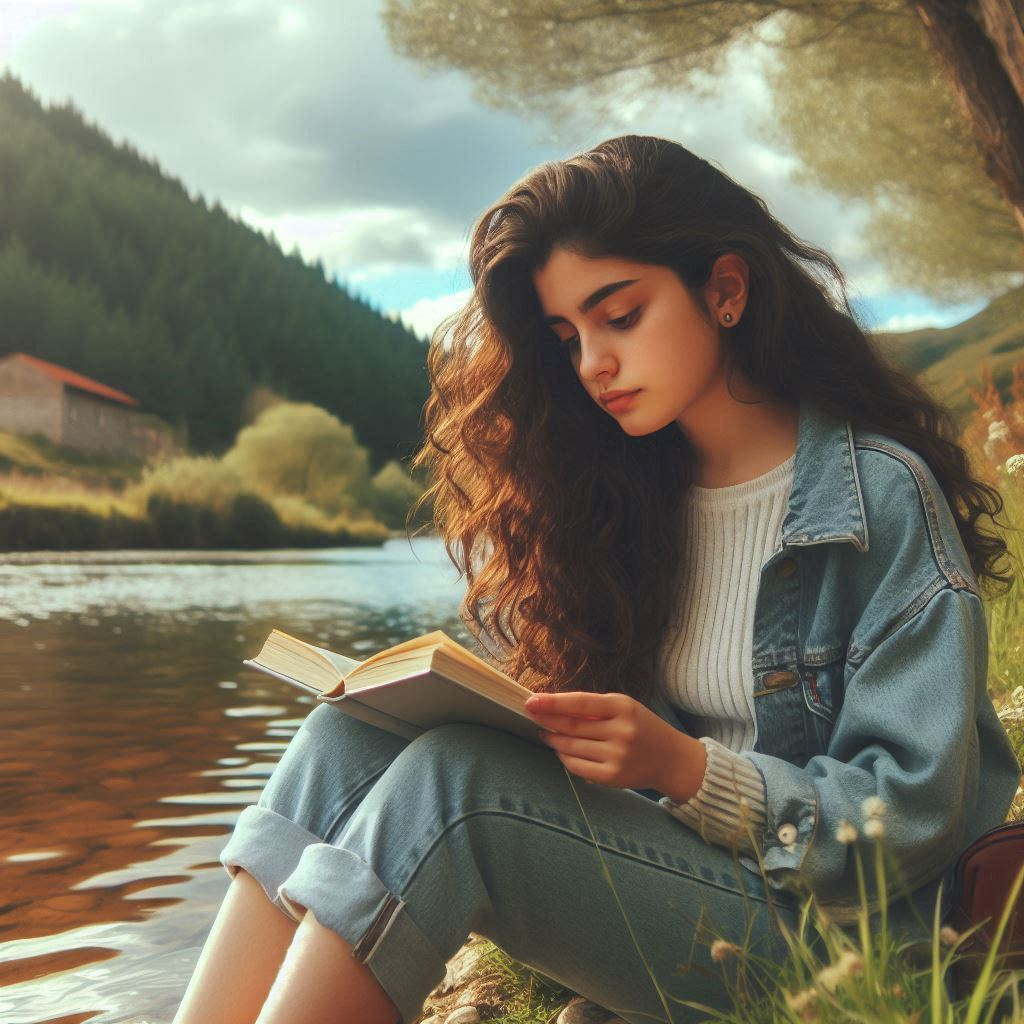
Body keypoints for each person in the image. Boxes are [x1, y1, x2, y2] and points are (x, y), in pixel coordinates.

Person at [172, 135, 1021, 1024]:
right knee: (343, 738)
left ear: (726, 290)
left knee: (453, 789)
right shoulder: (634, 495)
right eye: (568, 335)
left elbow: (907, 820)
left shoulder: (876, 497)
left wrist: (686, 768)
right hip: (689, 884)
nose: (592, 365)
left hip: (847, 940)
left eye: (620, 316)